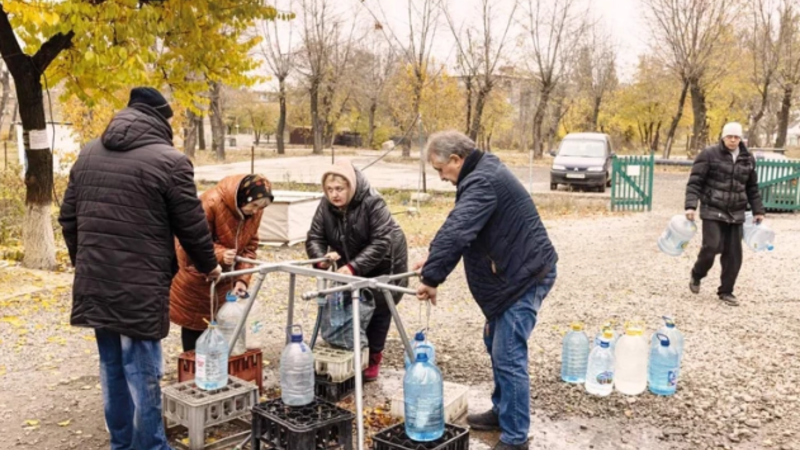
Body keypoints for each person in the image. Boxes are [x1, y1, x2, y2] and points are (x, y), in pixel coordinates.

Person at [58, 87, 222, 450]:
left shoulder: (87, 152)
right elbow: (191, 225)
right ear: (161, 119)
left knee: (111, 367)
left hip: (96, 281)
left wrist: (85, 262)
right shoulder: (171, 161)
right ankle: (149, 446)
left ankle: (122, 443)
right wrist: (209, 265)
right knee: (143, 370)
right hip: (141, 286)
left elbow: (68, 219)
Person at [414, 131, 558, 450]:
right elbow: (460, 225)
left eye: (440, 169)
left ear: (456, 159)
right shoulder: (481, 172)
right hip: (512, 274)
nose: (441, 177)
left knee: (507, 352)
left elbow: (458, 228)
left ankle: (516, 437)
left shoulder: (482, 181)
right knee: (495, 341)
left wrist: (432, 277)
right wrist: (432, 258)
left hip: (523, 277)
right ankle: (503, 411)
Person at [306, 160, 408, 381]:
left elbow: (381, 241)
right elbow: (315, 237)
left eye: (339, 189)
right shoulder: (326, 206)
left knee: (379, 305)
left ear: (351, 187)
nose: (334, 195)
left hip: (386, 260)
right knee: (349, 304)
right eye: (330, 189)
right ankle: (352, 352)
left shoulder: (373, 201)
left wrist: (353, 267)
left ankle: (373, 357)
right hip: (350, 259)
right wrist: (321, 259)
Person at [170, 174, 273, 352]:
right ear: (242, 198)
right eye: (254, 205)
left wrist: (242, 279)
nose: (256, 211)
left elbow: (250, 246)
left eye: (262, 207)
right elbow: (190, 241)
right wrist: (219, 254)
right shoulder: (210, 203)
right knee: (196, 323)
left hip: (226, 277)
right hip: (198, 274)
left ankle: (219, 366)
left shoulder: (254, 211)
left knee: (224, 323)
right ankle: (194, 365)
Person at [685, 121, 765, 306]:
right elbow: (695, 182)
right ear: (723, 137)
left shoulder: (747, 158)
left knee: (734, 254)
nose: (733, 140)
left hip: (736, 212)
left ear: (741, 139)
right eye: (730, 136)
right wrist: (690, 206)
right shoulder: (709, 154)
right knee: (711, 247)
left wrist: (758, 210)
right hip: (712, 208)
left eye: (736, 137)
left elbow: (752, 187)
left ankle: (726, 291)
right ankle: (697, 274)